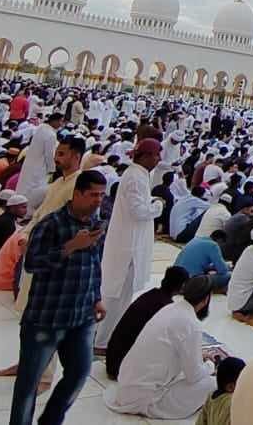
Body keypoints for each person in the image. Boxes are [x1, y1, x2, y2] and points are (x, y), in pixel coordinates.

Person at [8, 169, 108, 425]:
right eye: (93, 195)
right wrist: (71, 247)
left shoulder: (95, 223)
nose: (98, 200)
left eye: (101, 195)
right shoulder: (52, 224)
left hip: (82, 315)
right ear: (77, 194)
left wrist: (96, 297)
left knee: (78, 373)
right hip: (47, 317)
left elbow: (94, 263)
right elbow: (31, 263)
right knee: (28, 384)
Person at [103, 276, 218, 419]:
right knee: (214, 383)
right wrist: (210, 365)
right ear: (206, 299)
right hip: (147, 400)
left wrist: (199, 358)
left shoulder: (169, 309)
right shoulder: (191, 324)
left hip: (126, 388)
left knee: (186, 372)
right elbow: (194, 376)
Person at [96, 139, 163, 352]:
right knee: (116, 295)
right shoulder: (135, 177)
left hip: (129, 245)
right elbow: (139, 212)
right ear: (144, 156)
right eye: (156, 155)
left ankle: (108, 337)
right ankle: (102, 341)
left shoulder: (139, 175)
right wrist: (158, 205)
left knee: (120, 295)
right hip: (128, 248)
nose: (158, 159)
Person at [103, 267, 188, 381]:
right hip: (123, 367)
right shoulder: (166, 307)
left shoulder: (151, 294)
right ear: (182, 286)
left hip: (113, 359)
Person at [191, 356, 244, 425]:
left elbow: (201, 421)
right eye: (243, 382)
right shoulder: (232, 403)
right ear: (230, 387)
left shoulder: (211, 396)